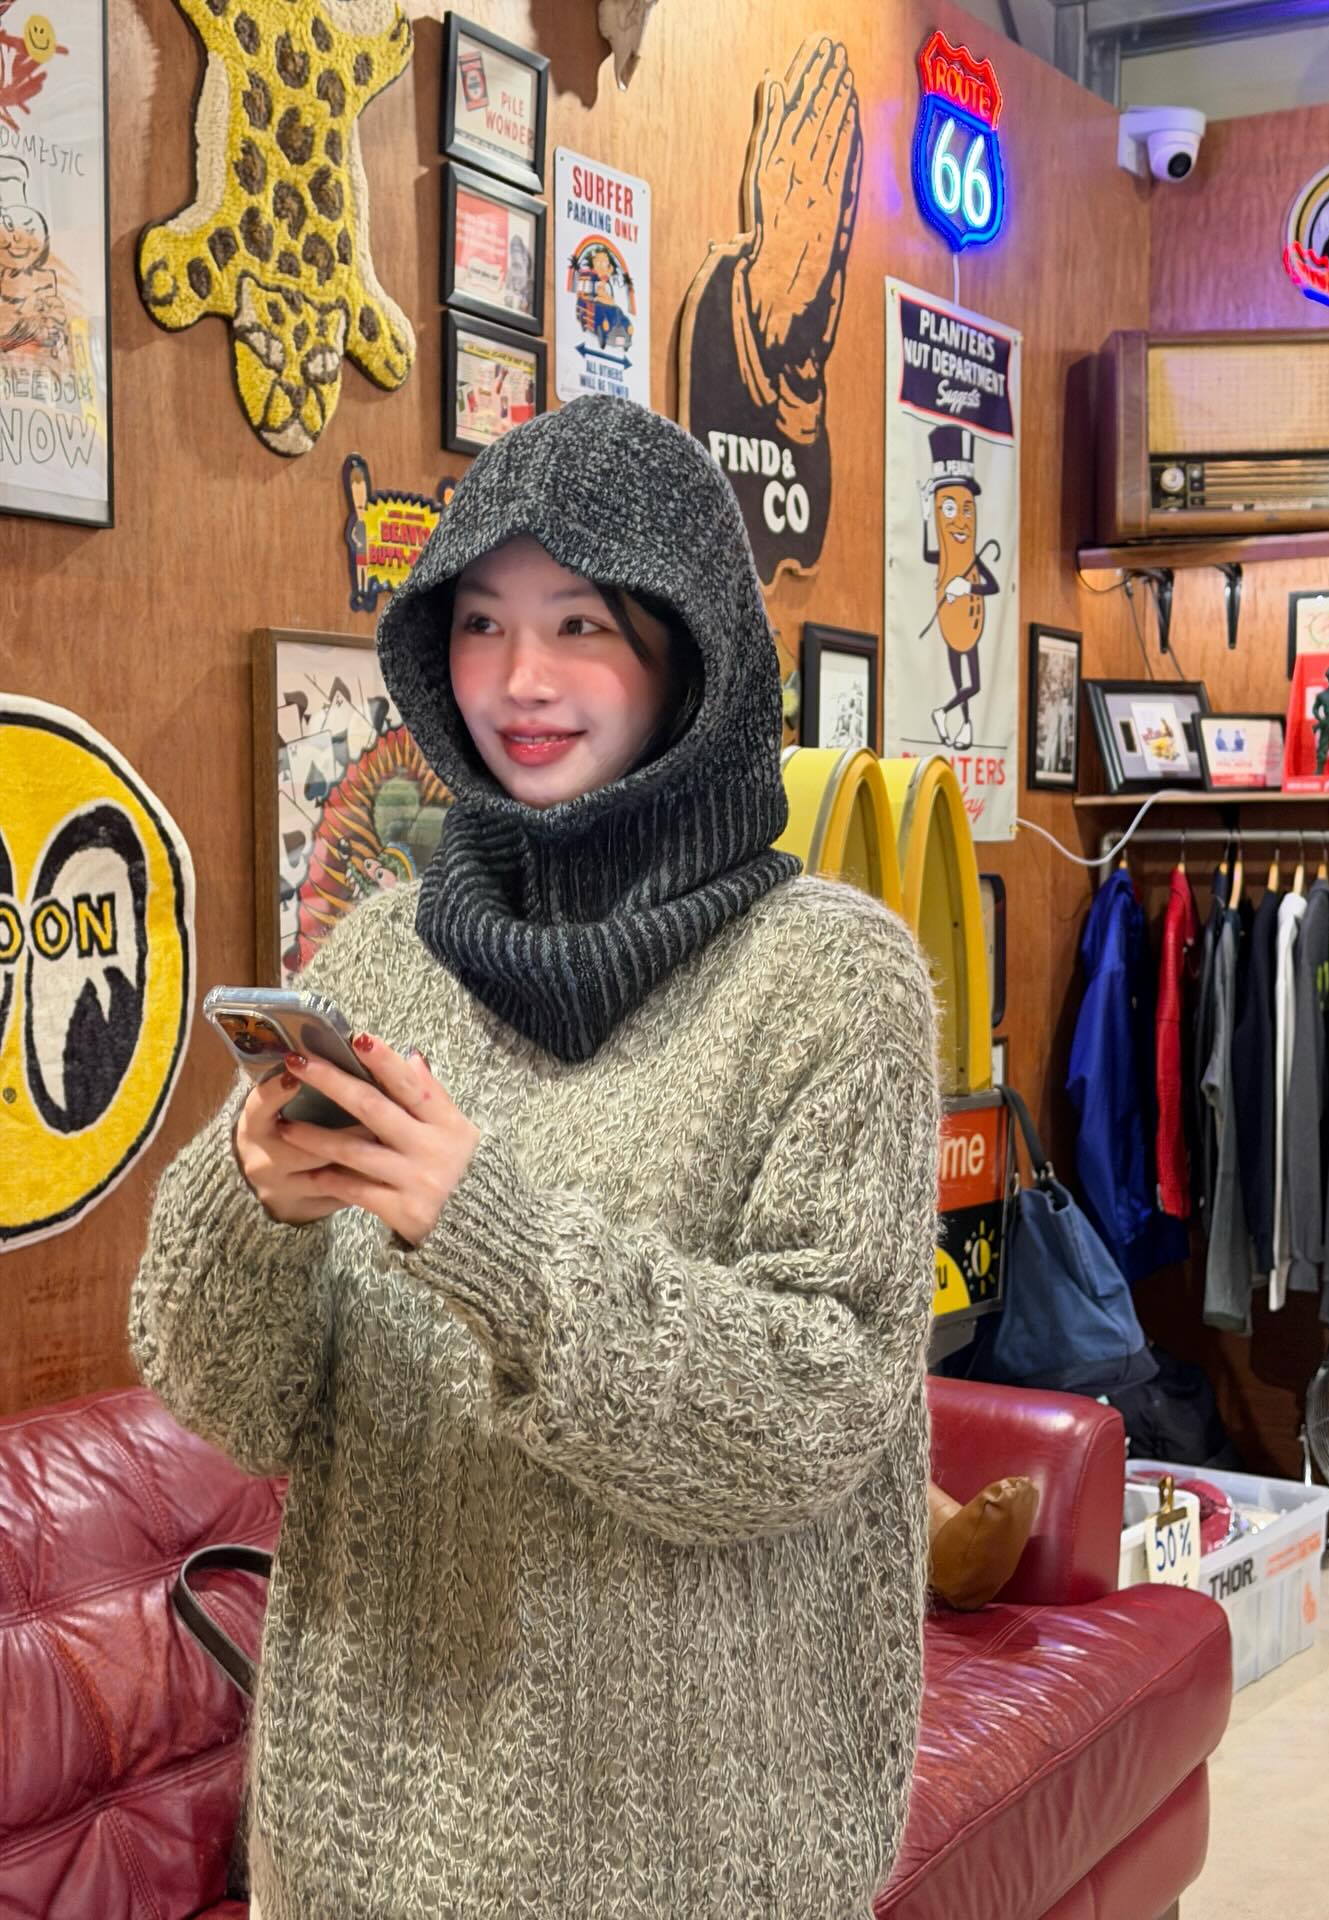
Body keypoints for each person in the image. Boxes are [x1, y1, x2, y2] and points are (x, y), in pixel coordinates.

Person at [129, 396, 943, 1920]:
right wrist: (251, 1200)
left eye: (580, 624)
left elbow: (818, 1406)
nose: (520, 680)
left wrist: (494, 1241)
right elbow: (232, 1400)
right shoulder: (381, 953)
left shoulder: (833, 979)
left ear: (688, 653)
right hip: (355, 1844)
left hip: (695, 1861)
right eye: (481, 624)